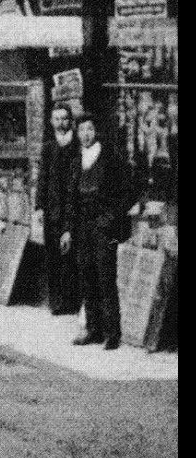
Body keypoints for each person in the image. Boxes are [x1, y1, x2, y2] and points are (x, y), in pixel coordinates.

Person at [61, 113, 135, 350]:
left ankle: (113, 332)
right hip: (83, 228)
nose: (86, 134)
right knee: (87, 277)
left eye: (90, 129)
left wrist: (112, 217)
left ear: (97, 131)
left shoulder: (111, 158)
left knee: (106, 277)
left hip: (106, 229)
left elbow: (130, 190)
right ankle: (93, 329)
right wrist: (67, 230)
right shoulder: (75, 162)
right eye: (82, 130)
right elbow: (70, 199)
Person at [34, 104, 79, 315]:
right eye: (57, 119)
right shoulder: (49, 147)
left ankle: (71, 301)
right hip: (53, 209)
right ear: (52, 122)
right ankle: (56, 301)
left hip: (73, 209)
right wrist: (39, 206)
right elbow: (42, 178)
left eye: (64, 119)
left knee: (71, 257)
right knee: (53, 256)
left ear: (70, 121)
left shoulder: (77, 146)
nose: (61, 123)